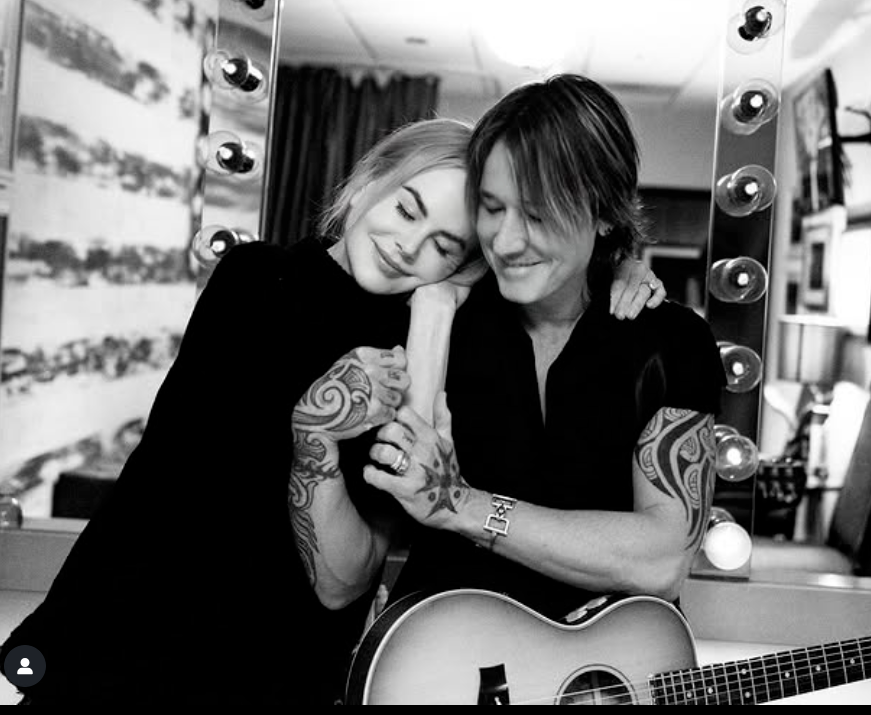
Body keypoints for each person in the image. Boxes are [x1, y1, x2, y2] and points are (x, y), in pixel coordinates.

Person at [0, 116, 663, 706]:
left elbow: (343, 581)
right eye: (406, 209)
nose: (409, 246)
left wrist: (435, 311)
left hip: (273, 669)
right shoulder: (253, 279)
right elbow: (177, 487)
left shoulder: (429, 347)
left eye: (444, 245)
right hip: (123, 629)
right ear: (370, 178)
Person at [294, 75, 724, 644]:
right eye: (492, 209)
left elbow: (661, 559)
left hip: (597, 676)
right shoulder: (428, 315)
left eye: (539, 216)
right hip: (436, 664)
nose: (507, 241)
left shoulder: (671, 342)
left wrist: (462, 506)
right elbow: (352, 559)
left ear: (604, 213)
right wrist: (435, 305)